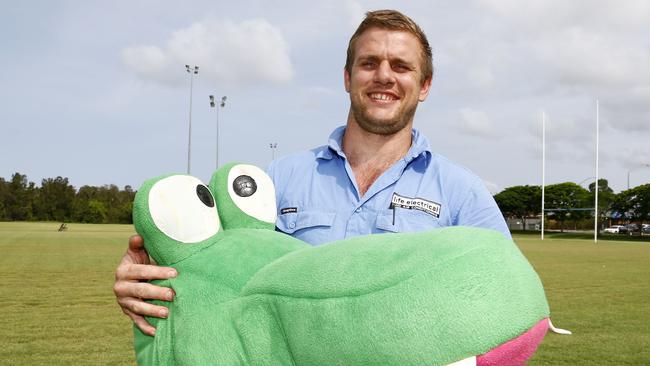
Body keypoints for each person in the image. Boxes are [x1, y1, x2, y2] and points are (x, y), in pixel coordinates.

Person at [114, 9, 510, 336]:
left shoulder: (463, 193)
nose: (384, 76)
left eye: (401, 67)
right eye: (368, 63)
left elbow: (504, 295)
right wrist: (146, 273)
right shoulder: (278, 180)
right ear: (347, 77)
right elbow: (212, 261)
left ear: (424, 85)